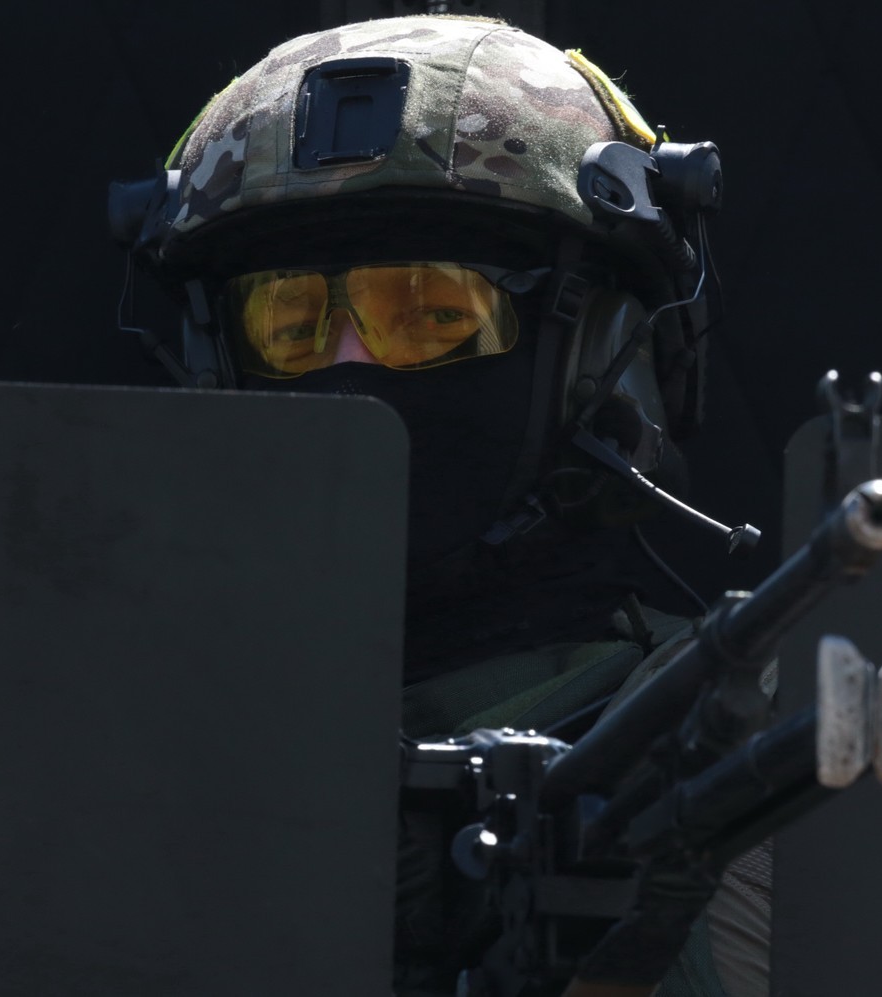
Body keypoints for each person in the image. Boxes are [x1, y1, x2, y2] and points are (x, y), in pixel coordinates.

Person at [112, 13, 768, 996]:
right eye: (289, 324)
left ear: (600, 363)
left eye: (432, 314)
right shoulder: (105, 741)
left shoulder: (751, 763)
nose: (350, 370)